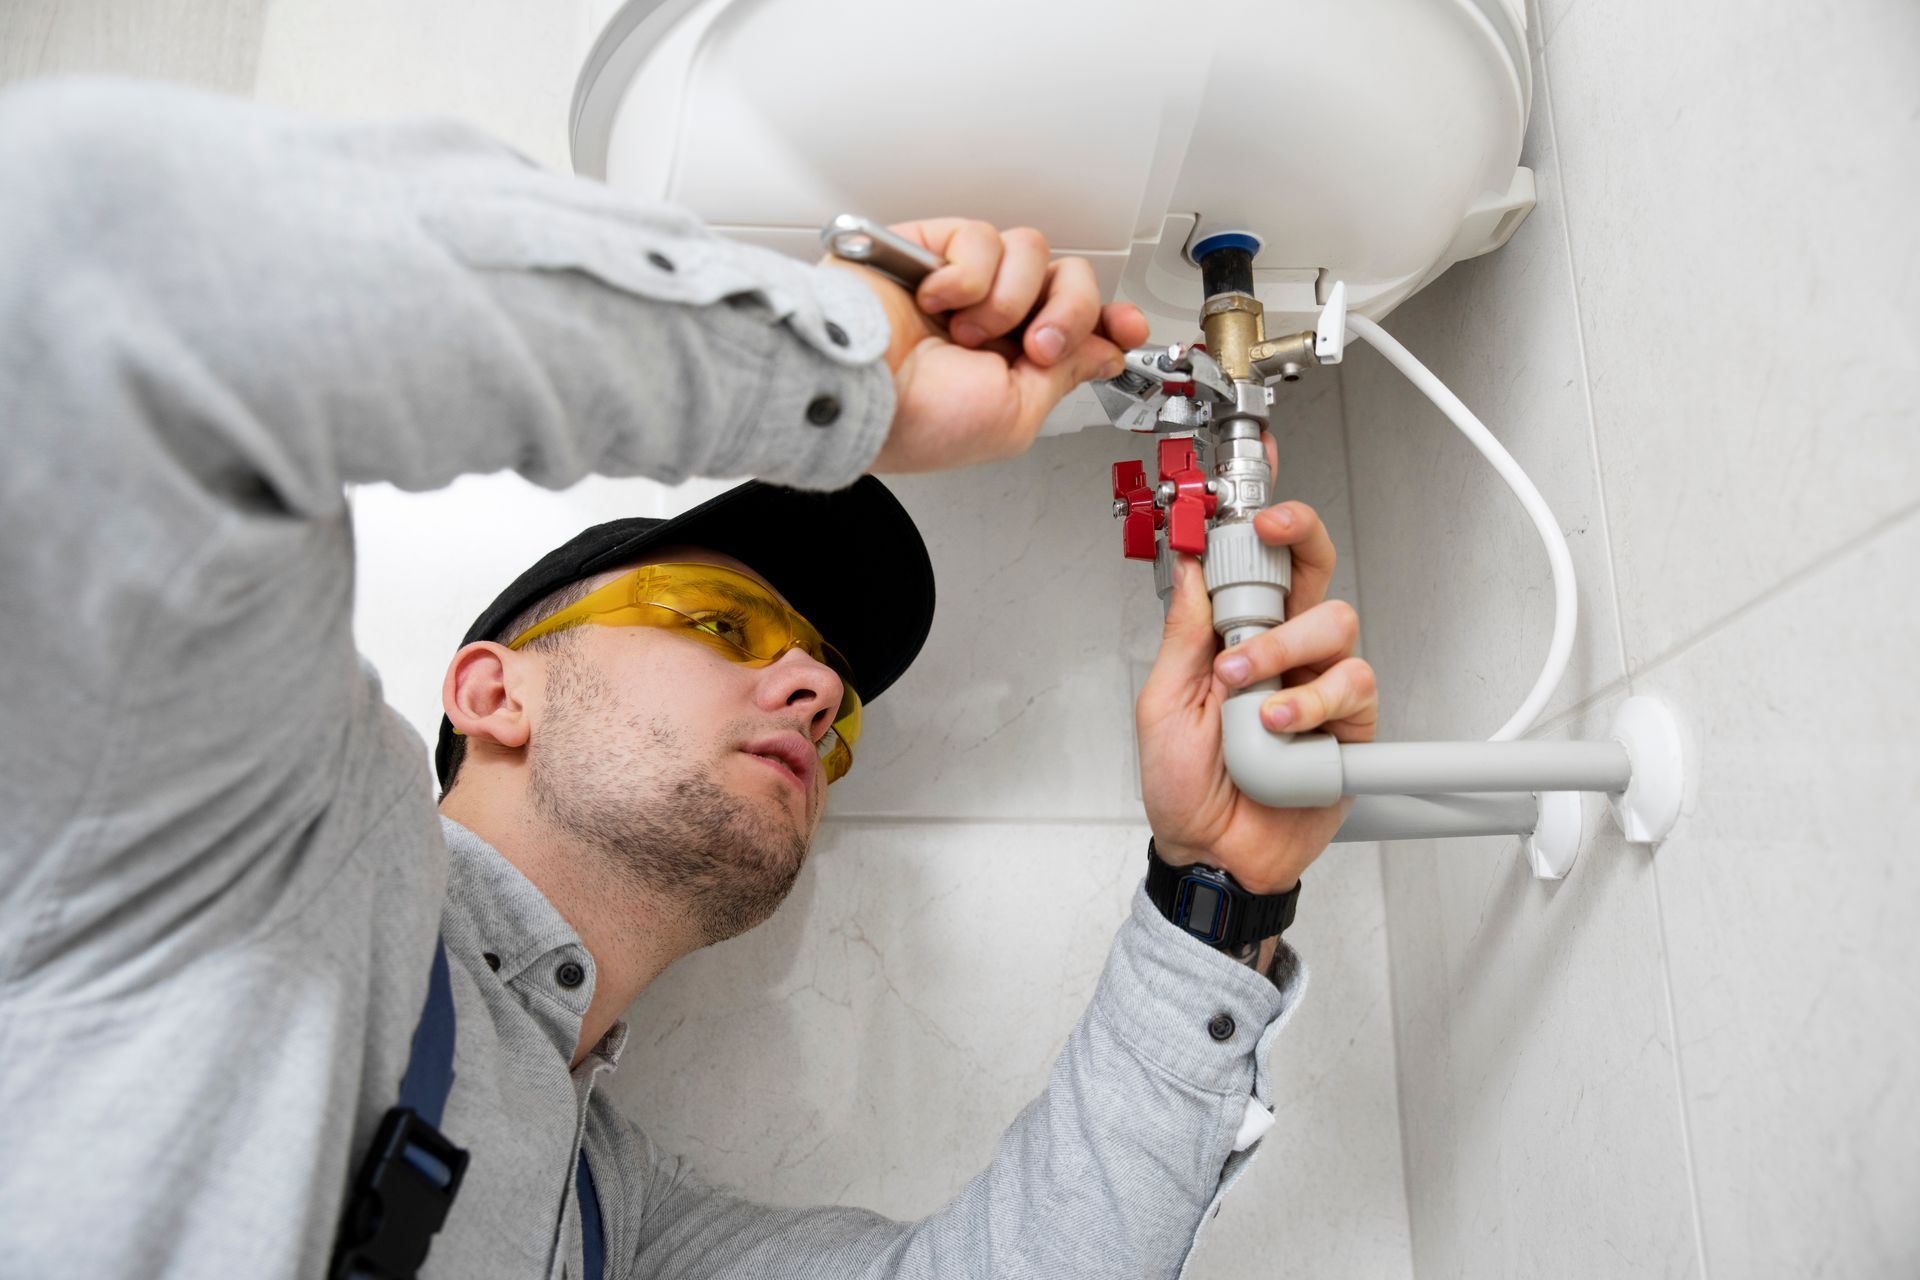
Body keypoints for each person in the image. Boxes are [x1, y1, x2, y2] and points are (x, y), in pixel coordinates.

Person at [0, 78, 1377, 1279]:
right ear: (494, 694)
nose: (817, 694)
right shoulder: (240, 852)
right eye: (721, 625)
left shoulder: (610, 1222)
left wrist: (1218, 895)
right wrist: (836, 366)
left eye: (833, 702)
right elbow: (88, 253)